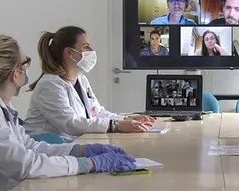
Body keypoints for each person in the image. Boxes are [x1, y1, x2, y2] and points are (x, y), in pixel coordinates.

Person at [0, 35, 137, 191]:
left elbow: (29, 146)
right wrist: (89, 164)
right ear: (15, 73)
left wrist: (81, 150)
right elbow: (25, 165)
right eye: (25, 63)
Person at [23, 26, 155, 142]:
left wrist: (127, 119)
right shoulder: (50, 85)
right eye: (86, 47)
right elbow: (70, 123)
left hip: (72, 144)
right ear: (69, 52)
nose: (91, 50)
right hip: (47, 149)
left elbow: (97, 113)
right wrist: (115, 125)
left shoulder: (81, 79)